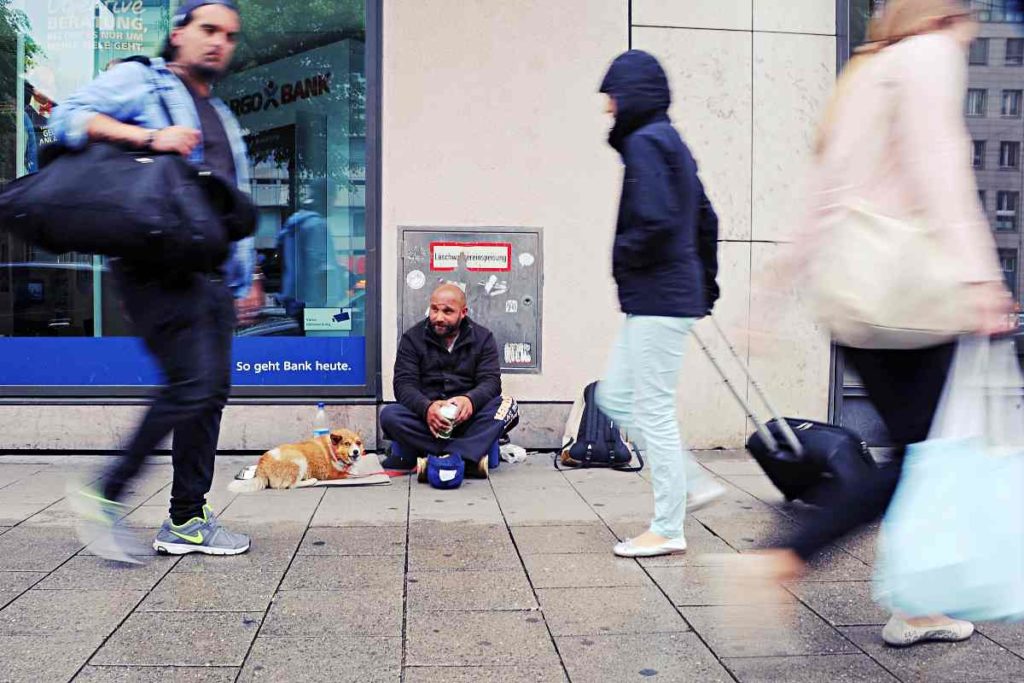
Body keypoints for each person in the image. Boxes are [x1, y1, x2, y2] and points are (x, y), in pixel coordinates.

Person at [735, 0, 1014, 646]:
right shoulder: (929, 58)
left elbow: (821, 199)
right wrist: (982, 278)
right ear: (943, 14)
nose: (972, 28)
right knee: (925, 461)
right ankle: (787, 554)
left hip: (855, 302)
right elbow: (941, 175)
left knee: (914, 453)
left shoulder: (865, 72)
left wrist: (772, 292)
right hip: (914, 302)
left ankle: (915, 605)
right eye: (967, 13)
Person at [54, 0, 254, 561]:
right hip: (155, 265)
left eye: (229, 35)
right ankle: (105, 494)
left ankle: (187, 519)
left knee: (208, 393)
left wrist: (246, 273)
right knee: (191, 383)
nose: (219, 42)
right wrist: (149, 138)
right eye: (208, 29)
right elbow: (66, 118)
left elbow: (225, 199)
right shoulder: (142, 81)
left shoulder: (223, 115)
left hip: (211, 274)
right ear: (180, 32)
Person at [593, 50, 726, 559]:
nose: (607, 108)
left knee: (650, 406)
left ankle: (668, 526)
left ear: (631, 95)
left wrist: (625, 258)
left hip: (658, 293)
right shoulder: (670, 143)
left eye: (612, 95)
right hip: (667, 293)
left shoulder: (649, 143)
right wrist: (705, 285)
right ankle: (691, 483)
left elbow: (656, 222)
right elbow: (706, 218)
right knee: (615, 397)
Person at [381, 283, 518, 477]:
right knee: (389, 415)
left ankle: (436, 459)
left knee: (507, 405)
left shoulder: (483, 338)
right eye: (434, 309)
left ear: (463, 312)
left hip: (468, 421)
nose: (438, 317)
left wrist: (470, 400)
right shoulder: (412, 338)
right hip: (429, 421)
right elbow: (403, 385)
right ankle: (467, 457)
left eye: (447, 311)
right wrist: (426, 407)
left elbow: (491, 382)